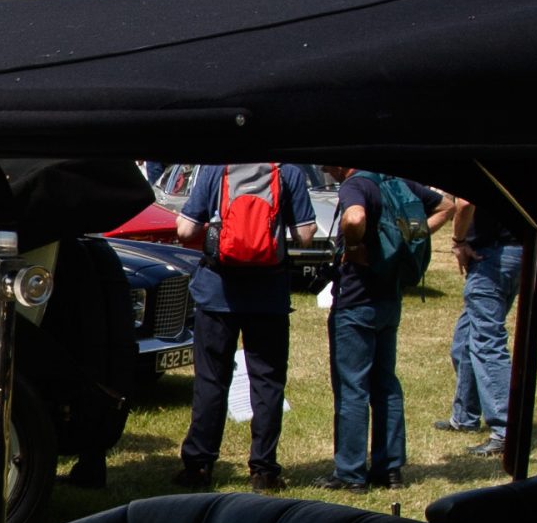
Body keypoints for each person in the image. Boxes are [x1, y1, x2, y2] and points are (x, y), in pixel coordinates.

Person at [171, 161, 318, 492]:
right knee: (267, 381)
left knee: (211, 380)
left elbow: (184, 230)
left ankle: (198, 466)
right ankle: (264, 470)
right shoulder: (288, 171)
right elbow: (306, 236)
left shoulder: (215, 169)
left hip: (216, 292)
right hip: (269, 295)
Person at [319, 168, 451, 493]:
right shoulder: (395, 180)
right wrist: (406, 242)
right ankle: (389, 470)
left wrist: (355, 245)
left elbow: (353, 218)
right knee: (386, 384)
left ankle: (350, 474)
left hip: (356, 301)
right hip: (389, 298)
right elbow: (448, 205)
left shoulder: (356, 185)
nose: (323, 168)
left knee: (353, 387)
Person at [444, 190, 525, 460]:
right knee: (465, 339)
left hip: (491, 257)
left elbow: (465, 202)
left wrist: (458, 240)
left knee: (487, 343)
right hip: (516, 252)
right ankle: (464, 416)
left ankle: (505, 431)